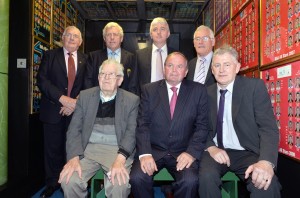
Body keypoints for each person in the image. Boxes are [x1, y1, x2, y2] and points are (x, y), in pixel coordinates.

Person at [198, 46, 281, 197]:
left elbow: (268, 128)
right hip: (215, 152)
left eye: (227, 65)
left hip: (246, 152)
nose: (222, 69)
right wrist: (211, 147)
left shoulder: (254, 87)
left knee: (265, 184)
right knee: (206, 177)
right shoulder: (205, 93)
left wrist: (266, 162)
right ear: (212, 70)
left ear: (237, 67)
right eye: (217, 65)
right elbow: (199, 127)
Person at [130, 52, 209, 197]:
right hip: (153, 150)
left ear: (186, 72)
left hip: (183, 151)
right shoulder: (149, 90)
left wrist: (191, 153)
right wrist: (145, 154)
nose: (174, 70)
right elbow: (143, 124)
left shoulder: (198, 90)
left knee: (190, 181)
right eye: (170, 65)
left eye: (179, 67)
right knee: (137, 178)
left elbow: (202, 126)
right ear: (164, 69)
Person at [59, 59, 139, 198]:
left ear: (119, 80)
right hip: (88, 150)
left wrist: (120, 160)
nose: (106, 78)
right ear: (98, 77)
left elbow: (131, 133)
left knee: (119, 185)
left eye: (111, 74)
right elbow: (74, 130)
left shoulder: (131, 100)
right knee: (69, 180)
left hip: (117, 151)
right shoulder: (85, 96)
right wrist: (73, 157)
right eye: (103, 74)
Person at [37, 26, 87, 198]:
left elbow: (89, 85)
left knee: (72, 150)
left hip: (76, 113)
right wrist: (62, 99)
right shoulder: (50, 56)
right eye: (69, 35)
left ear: (80, 42)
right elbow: (42, 81)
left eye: (76, 36)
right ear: (63, 38)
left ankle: (71, 185)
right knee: (52, 151)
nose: (72, 39)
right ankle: (51, 184)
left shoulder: (86, 59)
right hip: (53, 110)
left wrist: (74, 103)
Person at [129, 17, 175, 95]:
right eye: (155, 29)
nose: (158, 32)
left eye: (162, 29)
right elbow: (133, 84)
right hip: (146, 102)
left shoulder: (177, 55)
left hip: (171, 102)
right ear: (150, 34)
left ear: (168, 33)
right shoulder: (139, 55)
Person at [84, 22, 135, 91]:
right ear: (104, 38)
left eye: (115, 34)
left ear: (121, 38)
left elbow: (133, 83)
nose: (112, 37)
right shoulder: (93, 57)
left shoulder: (131, 58)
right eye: (108, 35)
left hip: (124, 99)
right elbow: (88, 82)